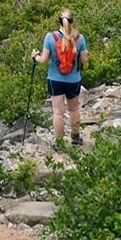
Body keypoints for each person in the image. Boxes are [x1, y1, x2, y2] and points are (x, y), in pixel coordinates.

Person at [31, 9, 88, 145]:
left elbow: (44, 60)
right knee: (74, 109)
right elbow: (84, 61)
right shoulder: (80, 39)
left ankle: (59, 142)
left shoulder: (50, 37)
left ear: (59, 22)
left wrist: (35, 56)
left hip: (55, 79)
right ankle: (75, 138)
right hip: (74, 80)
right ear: (73, 21)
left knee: (58, 112)